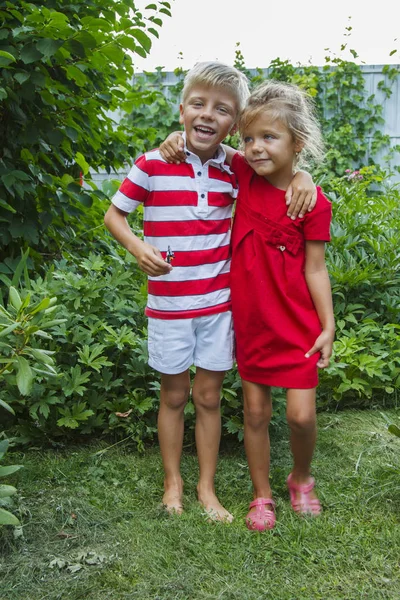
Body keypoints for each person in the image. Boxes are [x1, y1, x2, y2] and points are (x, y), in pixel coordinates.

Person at [104, 63, 317, 522]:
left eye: (222, 110)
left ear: (234, 123)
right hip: (169, 308)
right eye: (198, 104)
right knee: (174, 396)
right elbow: (114, 215)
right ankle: (172, 484)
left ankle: (206, 488)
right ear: (181, 110)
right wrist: (138, 247)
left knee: (208, 398)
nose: (207, 115)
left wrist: (305, 179)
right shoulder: (153, 163)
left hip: (218, 307)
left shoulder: (232, 167)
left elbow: (280, 164)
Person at [230, 81, 334, 531]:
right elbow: (203, 148)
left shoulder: (311, 201)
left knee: (301, 414)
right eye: (248, 138)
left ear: (299, 143)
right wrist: (174, 141)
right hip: (252, 323)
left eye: (269, 138)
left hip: (296, 326)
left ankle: (301, 477)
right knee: (255, 413)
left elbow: (315, 269)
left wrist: (328, 325)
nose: (255, 148)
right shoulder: (241, 177)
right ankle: (261, 495)